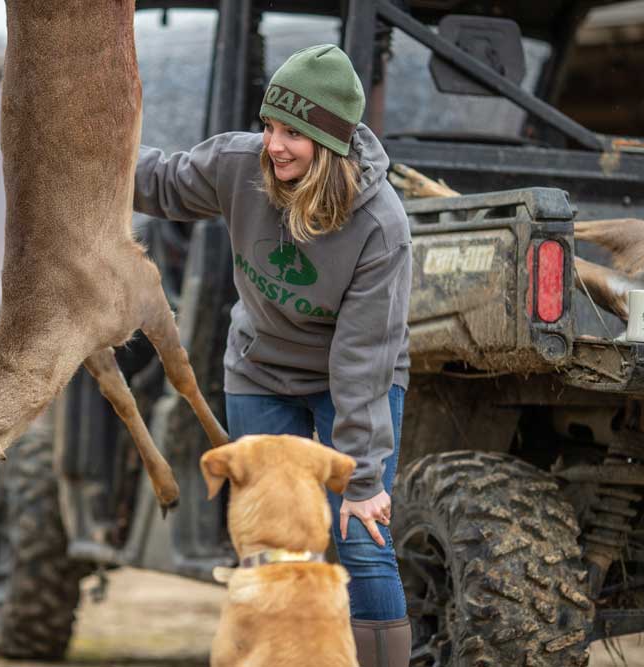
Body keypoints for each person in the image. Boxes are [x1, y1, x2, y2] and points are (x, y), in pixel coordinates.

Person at [134, 45, 412, 666]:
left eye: (293, 132)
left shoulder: (381, 227)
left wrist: (363, 480)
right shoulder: (241, 164)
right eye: (270, 125)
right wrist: (85, 157)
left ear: (331, 141)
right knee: (267, 542)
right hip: (260, 371)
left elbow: (362, 360)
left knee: (360, 535)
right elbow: (162, 181)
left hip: (354, 382)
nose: (274, 144)